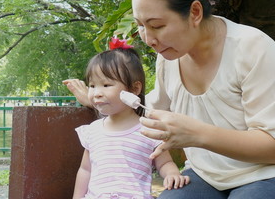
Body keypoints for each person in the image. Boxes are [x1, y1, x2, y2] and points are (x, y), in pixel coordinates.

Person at [66, 0, 275, 198]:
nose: (148, 38)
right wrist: (94, 100)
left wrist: (196, 134)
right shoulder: (169, 60)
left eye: (157, 25)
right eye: (140, 25)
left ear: (194, 12)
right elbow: (145, 112)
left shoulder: (252, 48)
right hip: (208, 177)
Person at [66, 37, 189, 199]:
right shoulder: (93, 131)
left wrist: (172, 174)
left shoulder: (148, 130)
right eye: (92, 85)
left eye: (106, 85)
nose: (96, 93)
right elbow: (85, 170)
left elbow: (165, 163)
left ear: (134, 89)